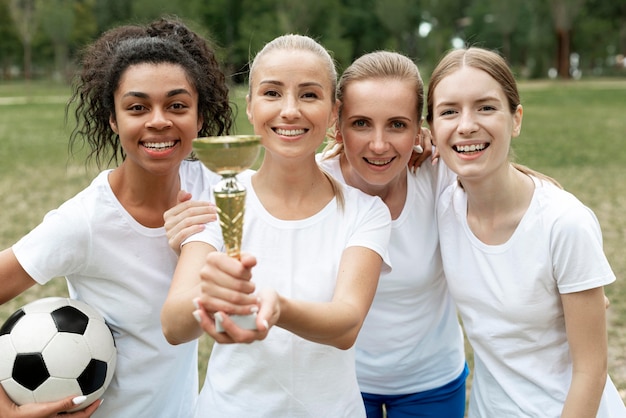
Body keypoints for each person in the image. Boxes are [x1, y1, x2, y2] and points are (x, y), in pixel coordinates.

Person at [0, 17, 231, 417]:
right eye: (137, 107)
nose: (158, 120)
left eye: (177, 105)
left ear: (200, 117)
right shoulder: (85, 221)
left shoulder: (218, 189)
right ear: (113, 119)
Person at [160, 34, 392, 417]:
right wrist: (211, 293)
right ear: (250, 107)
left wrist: (279, 309)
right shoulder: (221, 197)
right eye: (272, 93)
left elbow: (346, 324)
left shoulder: (365, 212)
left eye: (309, 95)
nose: (289, 111)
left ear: (334, 112)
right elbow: (173, 324)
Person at [427, 46, 626, 417]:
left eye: (486, 107)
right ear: (432, 129)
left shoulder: (564, 223)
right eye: (449, 111)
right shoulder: (439, 204)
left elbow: (591, 371)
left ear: (516, 119)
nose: (466, 124)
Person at [318, 50, 468, 417]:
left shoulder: (439, 175)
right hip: (340, 383)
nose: (380, 144)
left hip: (432, 383)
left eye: (398, 125)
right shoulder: (314, 183)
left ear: (420, 128)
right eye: (361, 123)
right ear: (338, 124)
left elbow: (511, 186)